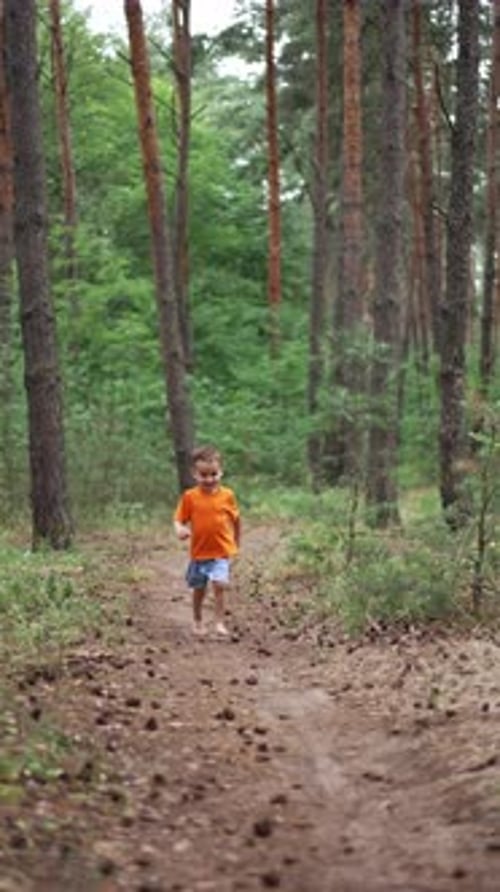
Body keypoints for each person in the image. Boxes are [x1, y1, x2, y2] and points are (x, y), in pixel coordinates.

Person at [173, 444, 240, 638]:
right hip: (199, 553)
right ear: (195, 474)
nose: (209, 479)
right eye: (204, 475)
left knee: (220, 585)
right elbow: (179, 518)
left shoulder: (228, 496)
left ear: (221, 472)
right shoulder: (190, 497)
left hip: (220, 551)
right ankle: (197, 620)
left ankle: (219, 622)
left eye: (214, 474)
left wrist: (236, 543)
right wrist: (180, 529)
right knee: (199, 590)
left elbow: (236, 520)